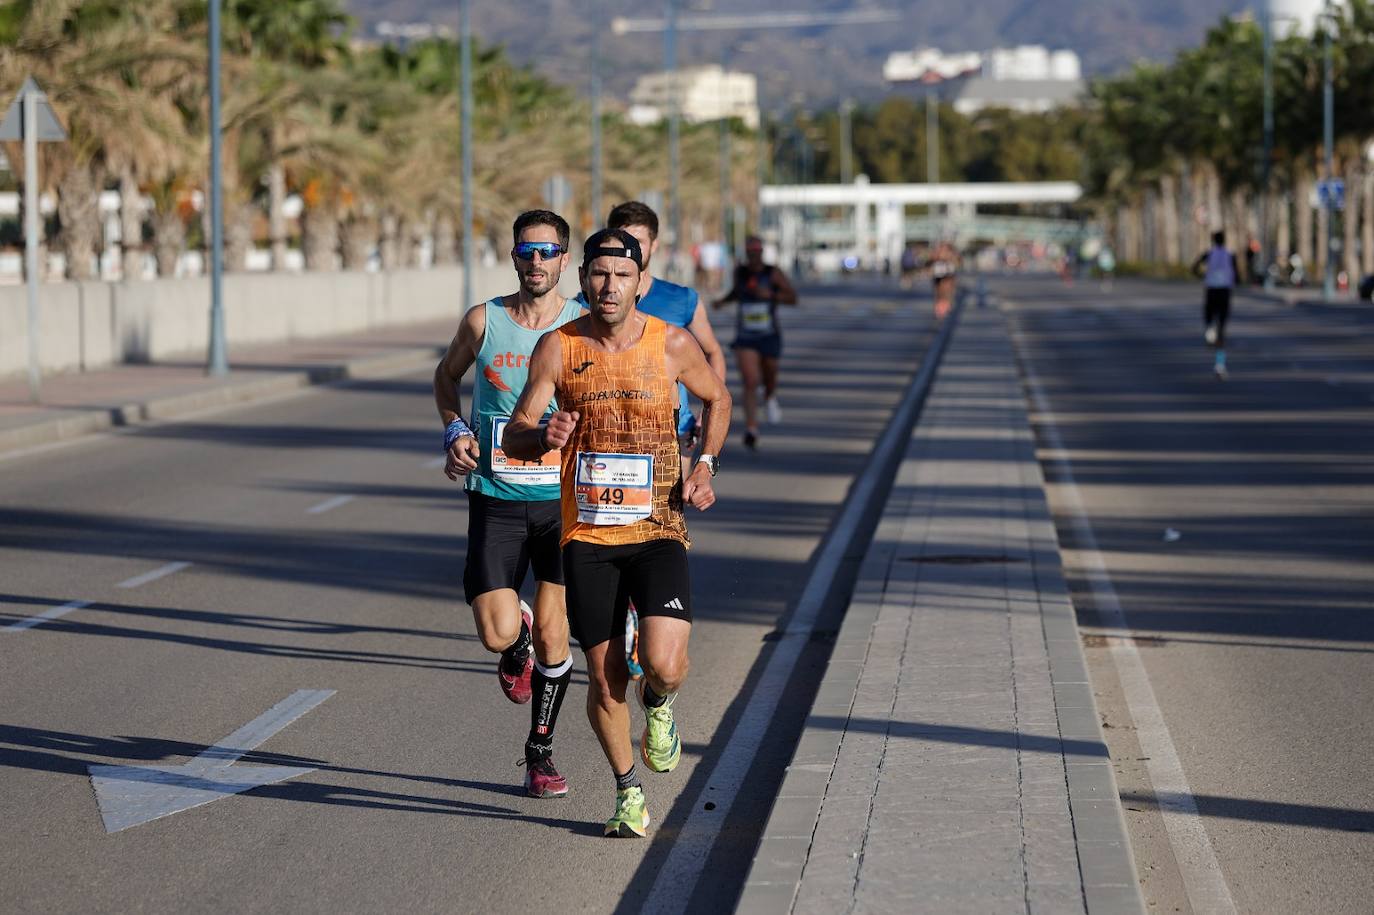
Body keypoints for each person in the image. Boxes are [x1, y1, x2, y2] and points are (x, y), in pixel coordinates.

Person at [503, 228, 731, 838]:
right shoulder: (557, 348)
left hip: (658, 528)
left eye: (621, 276)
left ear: (638, 281)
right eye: (599, 275)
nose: (609, 286)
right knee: (607, 682)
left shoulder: (672, 344)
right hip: (588, 540)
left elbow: (719, 399)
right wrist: (540, 438)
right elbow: (516, 431)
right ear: (583, 281)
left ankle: (660, 704)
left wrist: (705, 464)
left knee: (665, 664)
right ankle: (628, 791)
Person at [433, 209, 584, 798]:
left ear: (564, 260)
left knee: (556, 638)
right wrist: (454, 431)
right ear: (514, 257)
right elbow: (446, 379)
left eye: (549, 252)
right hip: (496, 496)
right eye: (528, 251)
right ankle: (514, 637)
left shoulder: (582, 326)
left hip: (564, 502)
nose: (538, 262)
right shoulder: (485, 320)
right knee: (498, 636)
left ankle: (539, 754)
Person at [587, 201, 728, 680]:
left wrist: (704, 443)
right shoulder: (597, 294)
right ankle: (629, 613)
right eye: (620, 237)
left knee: (659, 525)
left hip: (671, 434)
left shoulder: (679, 299)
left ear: (653, 246)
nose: (629, 248)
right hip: (606, 439)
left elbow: (710, 360)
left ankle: (654, 616)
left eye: (639, 241)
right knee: (615, 525)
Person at [712, 236, 798, 451]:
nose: (753, 255)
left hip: (769, 334)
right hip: (746, 336)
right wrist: (722, 302)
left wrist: (770, 295)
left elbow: (793, 297)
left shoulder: (772, 273)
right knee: (750, 381)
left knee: (769, 374)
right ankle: (752, 428)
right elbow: (736, 293)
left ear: (762, 252)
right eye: (750, 251)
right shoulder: (740, 272)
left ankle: (769, 395)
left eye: (757, 251)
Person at [1192, 230, 1238, 378]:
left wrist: (1203, 276)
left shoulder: (1209, 253)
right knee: (1222, 329)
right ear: (1224, 240)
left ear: (1213, 240)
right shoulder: (1230, 254)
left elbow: (1194, 268)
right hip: (1224, 291)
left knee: (1209, 316)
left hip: (1211, 289)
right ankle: (1219, 365)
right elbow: (1237, 274)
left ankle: (1209, 329)